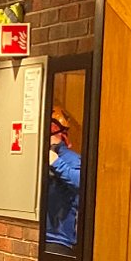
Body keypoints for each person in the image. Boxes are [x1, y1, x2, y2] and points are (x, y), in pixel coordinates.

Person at [43, 105, 82, 251]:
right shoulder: (39, 157)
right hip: (37, 234)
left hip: (59, 240)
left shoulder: (72, 159)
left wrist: (56, 163)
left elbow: (81, 183)